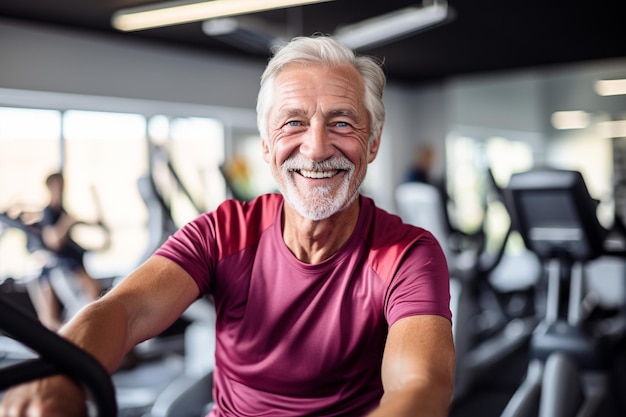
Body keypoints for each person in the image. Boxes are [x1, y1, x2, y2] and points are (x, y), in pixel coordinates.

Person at [0, 35, 455, 417]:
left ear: (372, 143)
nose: (316, 148)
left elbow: (420, 385)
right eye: (293, 122)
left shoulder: (407, 253)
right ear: (265, 145)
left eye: (341, 123)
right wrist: (62, 373)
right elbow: (123, 310)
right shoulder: (224, 231)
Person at [27, 172, 103, 331]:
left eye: (63, 185)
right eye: (58, 185)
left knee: (95, 296)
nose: (61, 189)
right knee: (49, 320)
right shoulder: (49, 212)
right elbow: (53, 240)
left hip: (71, 262)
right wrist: (67, 223)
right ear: (50, 187)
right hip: (59, 265)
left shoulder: (62, 210)